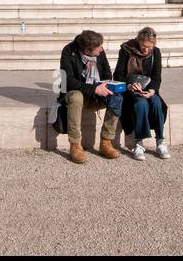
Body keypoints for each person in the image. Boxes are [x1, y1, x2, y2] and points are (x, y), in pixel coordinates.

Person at [56, 29, 122, 164]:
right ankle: (75, 145)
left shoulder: (100, 52)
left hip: (96, 90)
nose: (102, 50)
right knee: (76, 97)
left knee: (116, 96)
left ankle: (106, 142)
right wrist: (93, 89)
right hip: (77, 91)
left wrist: (105, 85)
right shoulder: (69, 51)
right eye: (98, 48)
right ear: (86, 50)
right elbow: (67, 81)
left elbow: (107, 74)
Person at [114, 27, 169, 159]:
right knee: (141, 104)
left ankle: (160, 141)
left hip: (148, 88)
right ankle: (138, 143)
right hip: (130, 89)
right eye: (144, 46)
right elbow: (118, 75)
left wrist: (152, 90)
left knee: (156, 102)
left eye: (149, 47)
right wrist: (129, 86)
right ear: (138, 41)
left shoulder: (156, 53)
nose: (146, 50)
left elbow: (156, 77)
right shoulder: (127, 50)